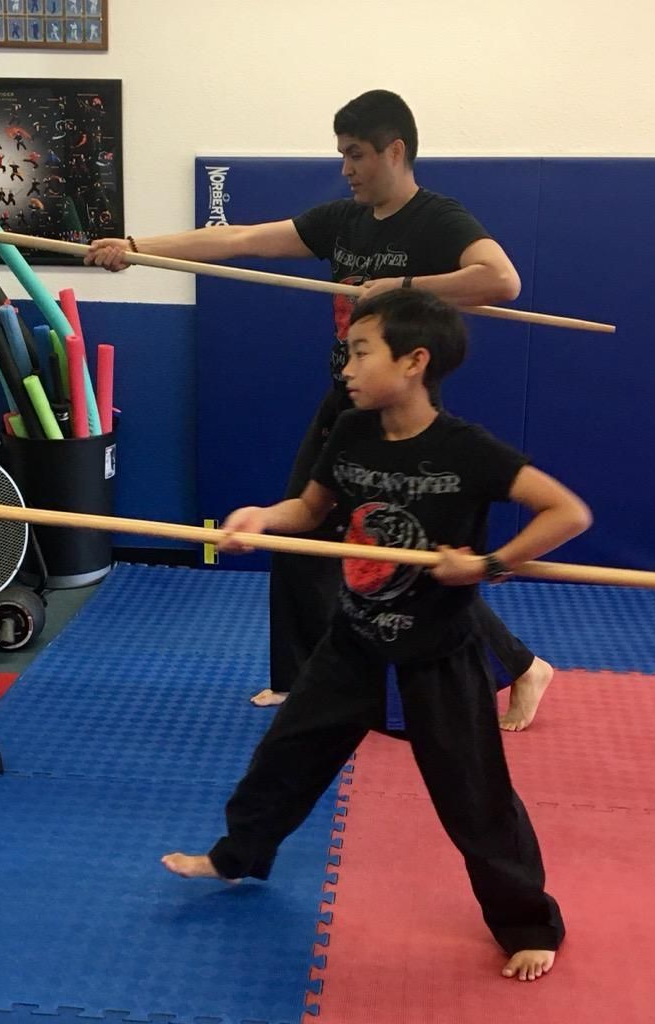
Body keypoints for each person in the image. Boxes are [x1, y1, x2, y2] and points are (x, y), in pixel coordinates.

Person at [85, 90, 552, 731]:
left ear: (396, 150)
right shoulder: (344, 221)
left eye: (356, 154)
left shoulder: (437, 220)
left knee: (404, 562)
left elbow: (501, 281)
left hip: (403, 417)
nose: (347, 168)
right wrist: (138, 246)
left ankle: (523, 667)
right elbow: (245, 237)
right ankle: (300, 682)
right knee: (300, 531)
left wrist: (406, 287)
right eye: (342, 155)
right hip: (346, 402)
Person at [162, 290, 592, 981]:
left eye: (361, 353)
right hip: (352, 644)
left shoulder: (466, 451)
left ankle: (526, 922)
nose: (348, 369)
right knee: (282, 759)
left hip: (436, 660)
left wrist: (486, 564)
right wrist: (260, 519)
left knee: (474, 801)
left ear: (414, 361)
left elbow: (565, 511)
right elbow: (308, 509)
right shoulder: (350, 433)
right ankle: (236, 856)